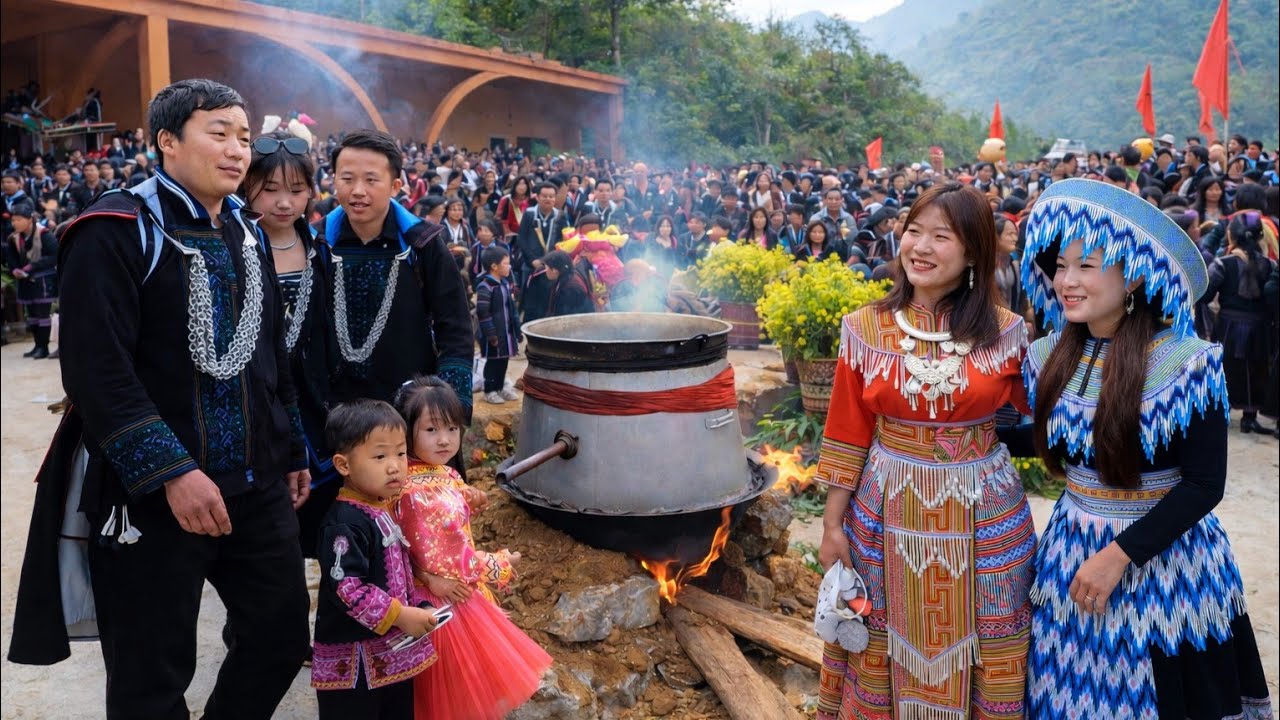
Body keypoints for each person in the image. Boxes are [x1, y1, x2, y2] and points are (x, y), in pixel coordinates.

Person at [9, 78, 311, 719]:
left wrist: (290, 450)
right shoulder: (115, 229)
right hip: (152, 495)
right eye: (219, 133)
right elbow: (97, 373)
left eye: (244, 137)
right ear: (167, 140)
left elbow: (269, 354)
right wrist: (172, 472)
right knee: (150, 676)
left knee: (280, 637)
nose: (237, 150)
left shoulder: (247, 229)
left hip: (255, 484)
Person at [1017, 179, 1273, 717]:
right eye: (1060, 266)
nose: (1066, 281)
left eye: (1086, 266)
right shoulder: (1048, 355)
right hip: (1070, 550)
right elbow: (1063, 440)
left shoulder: (1188, 363)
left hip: (1166, 565)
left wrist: (1118, 556)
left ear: (1133, 274)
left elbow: (1204, 485)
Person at [814, 182, 1033, 720]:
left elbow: (1045, 421)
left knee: (991, 638)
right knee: (879, 635)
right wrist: (832, 525)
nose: (921, 247)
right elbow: (847, 432)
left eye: (942, 236)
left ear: (974, 252)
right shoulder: (864, 328)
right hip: (883, 514)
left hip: (986, 519)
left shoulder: (1007, 333)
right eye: (914, 231)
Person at [392, 377, 553, 719]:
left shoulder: (437, 474)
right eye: (432, 429)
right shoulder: (414, 491)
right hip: (439, 601)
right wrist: (499, 563)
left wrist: (467, 498)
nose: (445, 439)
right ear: (407, 431)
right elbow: (442, 557)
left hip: (438, 592)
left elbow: (442, 530)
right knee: (449, 698)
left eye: (452, 428)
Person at [318, 128, 474, 464]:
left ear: (395, 186)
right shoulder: (317, 244)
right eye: (347, 178)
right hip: (337, 416)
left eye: (371, 180)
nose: (357, 191)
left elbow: (456, 328)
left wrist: (447, 412)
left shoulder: (423, 245)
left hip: (411, 413)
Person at [240, 129, 339, 556]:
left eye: (296, 190)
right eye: (270, 190)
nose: (284, 202)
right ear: (247, 187)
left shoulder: (320, 248)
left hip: (314, 398)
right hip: (261, 399)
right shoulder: (237, 246)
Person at [312, 400, 440, 719]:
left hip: (392, 653)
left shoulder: (381, 508)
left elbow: (397, 573)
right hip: (354, 665)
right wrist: (400, 614)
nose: (395, 466)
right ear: (343, 465)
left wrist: (419, 606)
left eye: (401, 453)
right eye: (380, 456)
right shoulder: (345, 523)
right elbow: (348, 589)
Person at [1205, 212, 1278, 435]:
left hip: (1228, 328)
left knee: (1224, 371)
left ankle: (1219, 415)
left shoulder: (1223, 263)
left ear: (1232, 236)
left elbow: (1206, 294)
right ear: (1260, 237)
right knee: (1256, 372)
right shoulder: (1269, 265)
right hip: (1260, 329)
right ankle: (1249, 418)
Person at [4, 198, 58, 358]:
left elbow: (54, 255)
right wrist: (15, 269)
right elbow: (11, 258)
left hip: (43, 280)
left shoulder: (44, 234)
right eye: (13, 220)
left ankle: (44, 347)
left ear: (29, 220)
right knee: (32, 315)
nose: (15, 223)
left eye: (19, 220)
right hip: (25, 280)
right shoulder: (13, 238)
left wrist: (32, 266)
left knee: (42, 314)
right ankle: (37, 345)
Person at [474, 245, 521, 404]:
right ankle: (490, 391)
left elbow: (512, 309)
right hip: (494, 335)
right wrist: (491, 334)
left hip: (506, 333)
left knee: (503, 362)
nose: (509, 267)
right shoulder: (485, 286)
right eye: (506, 263)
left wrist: (517, 330)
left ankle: (500, 388)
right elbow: (483, 312)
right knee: (493, 362)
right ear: (494, 266)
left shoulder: (505, 284)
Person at [541, 248, 594, 316]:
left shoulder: (571, 289)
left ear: (555, 270)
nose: (545, 270)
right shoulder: (566, 277)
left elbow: (569, 317)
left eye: (546, 267)